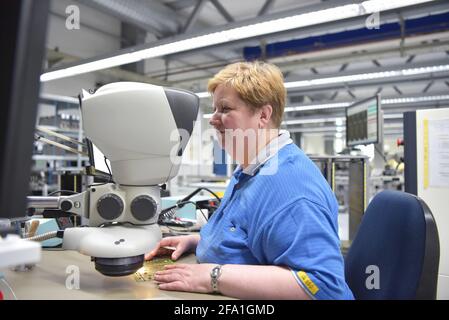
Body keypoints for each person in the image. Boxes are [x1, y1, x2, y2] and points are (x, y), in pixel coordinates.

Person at [146, 61, 354, 300]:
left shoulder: (292, 190)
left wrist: (213, 276)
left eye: (225, 109)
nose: (213, 119)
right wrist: (197, 241)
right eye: (214, 109)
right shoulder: (252, 167)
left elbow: (323, 286)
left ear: (263, 115)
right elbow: (244, 232)